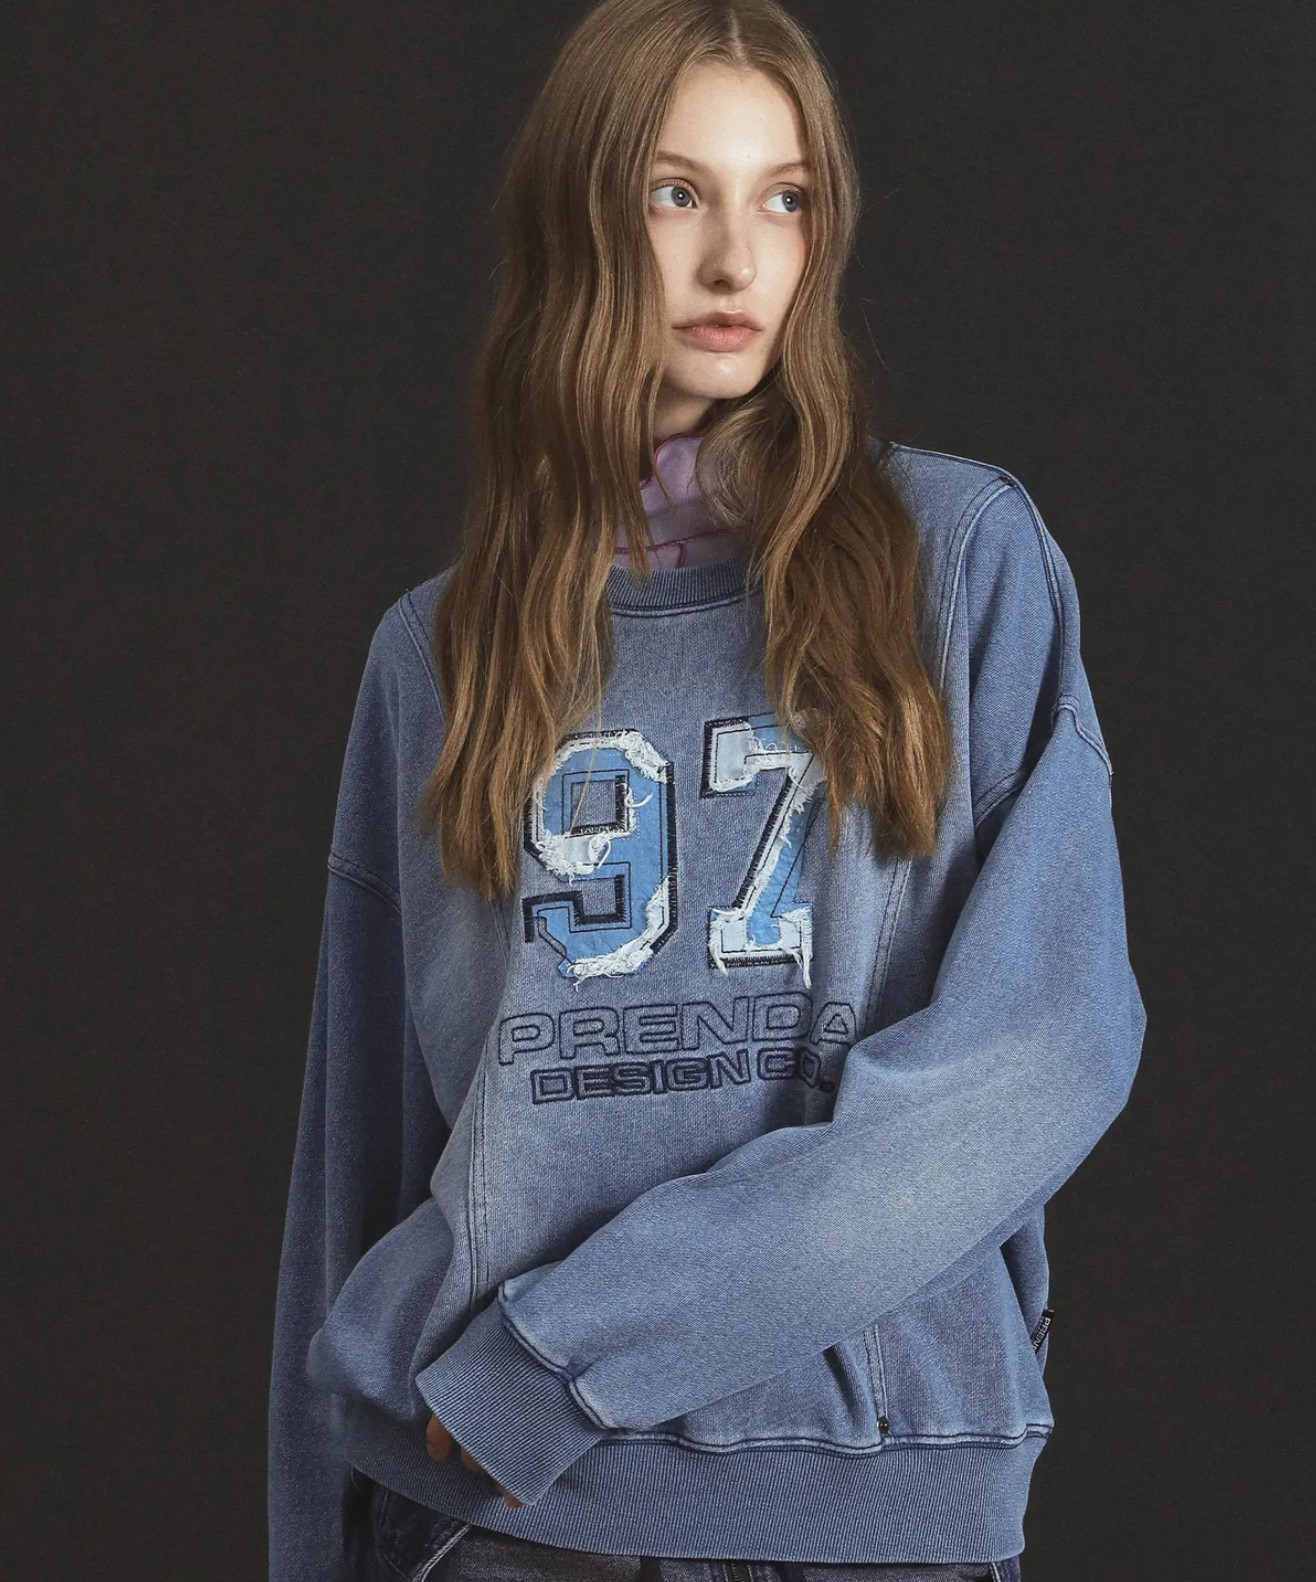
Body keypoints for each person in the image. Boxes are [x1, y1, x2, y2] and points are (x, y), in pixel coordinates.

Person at [267, 1, 1147, 1579]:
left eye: (784, 197)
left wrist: (563, 1349)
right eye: (678, 192)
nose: (738, 258)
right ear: (581, 216)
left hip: (871, 1500)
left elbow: (1044, 1049)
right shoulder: (438, 654)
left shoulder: (960, 564)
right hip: (505, 1525)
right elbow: (360, 1160)